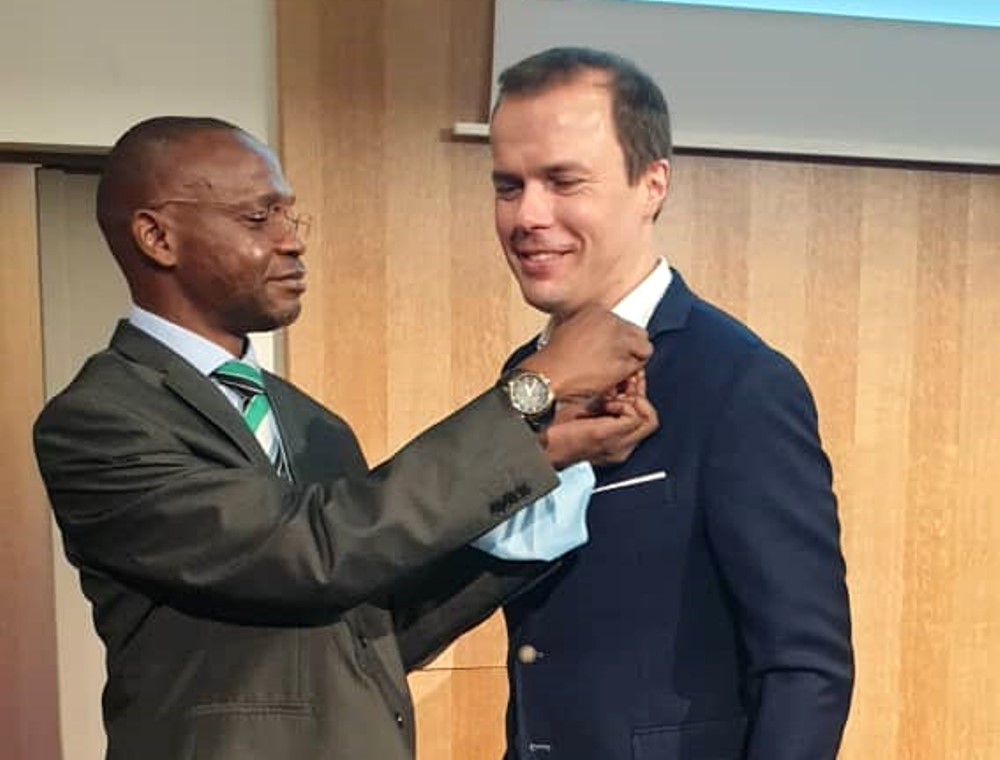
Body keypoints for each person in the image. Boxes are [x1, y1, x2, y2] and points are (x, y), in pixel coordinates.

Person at [32, 116, 658, 760]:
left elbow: (368, 624)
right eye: (257, 219)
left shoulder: (310, 422)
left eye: (289, 217)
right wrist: (534, 387)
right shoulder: (100, 420)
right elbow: (307, 551)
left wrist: (550, 454)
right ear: (157, 237)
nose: (291, 243)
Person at [489, 47, 854, 760]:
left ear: (652, 183)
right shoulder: (522, 376)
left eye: (564, 181)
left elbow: (805, 668)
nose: (529, 215)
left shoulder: (739, 381)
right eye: (508, 185)